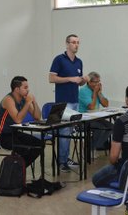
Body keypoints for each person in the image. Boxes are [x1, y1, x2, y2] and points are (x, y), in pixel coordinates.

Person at [49, 34, 89, 172]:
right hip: (63, 102)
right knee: (64, 133)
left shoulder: (79, 62)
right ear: (67, 44)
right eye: (73, 42)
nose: (76, 45)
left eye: (78, 42)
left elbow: (78, 81)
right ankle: (61, 162)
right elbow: (51, 78)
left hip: (75, 101)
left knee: (70, 133)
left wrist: (83, 80)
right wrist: (70, 79)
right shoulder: (59, 59)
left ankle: (65, 158)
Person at [0, 76, 42, 167]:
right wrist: (28, 103)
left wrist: (34, 102)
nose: (28, 90)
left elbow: (37, 117)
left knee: (39, 144)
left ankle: (18, 169)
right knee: (26, 149)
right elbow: (18, 119)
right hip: (3, 136)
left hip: (15, 133)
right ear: (17, 89)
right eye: (25, 88)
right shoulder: (8, 99)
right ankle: (16, 170)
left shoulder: (23, 99)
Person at [78, 71, 113, 154]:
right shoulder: (83, 91)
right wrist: (94, 92)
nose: (97, 84)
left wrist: (99, 93)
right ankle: (90, 149)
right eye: (95, 82)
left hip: (95, 117)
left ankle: (96, 145)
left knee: (112, 127)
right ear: (89, 82)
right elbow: (91, 107)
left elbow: (106, 104)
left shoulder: (96, 90)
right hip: (84, 118)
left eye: (98, 82)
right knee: (101, 128)